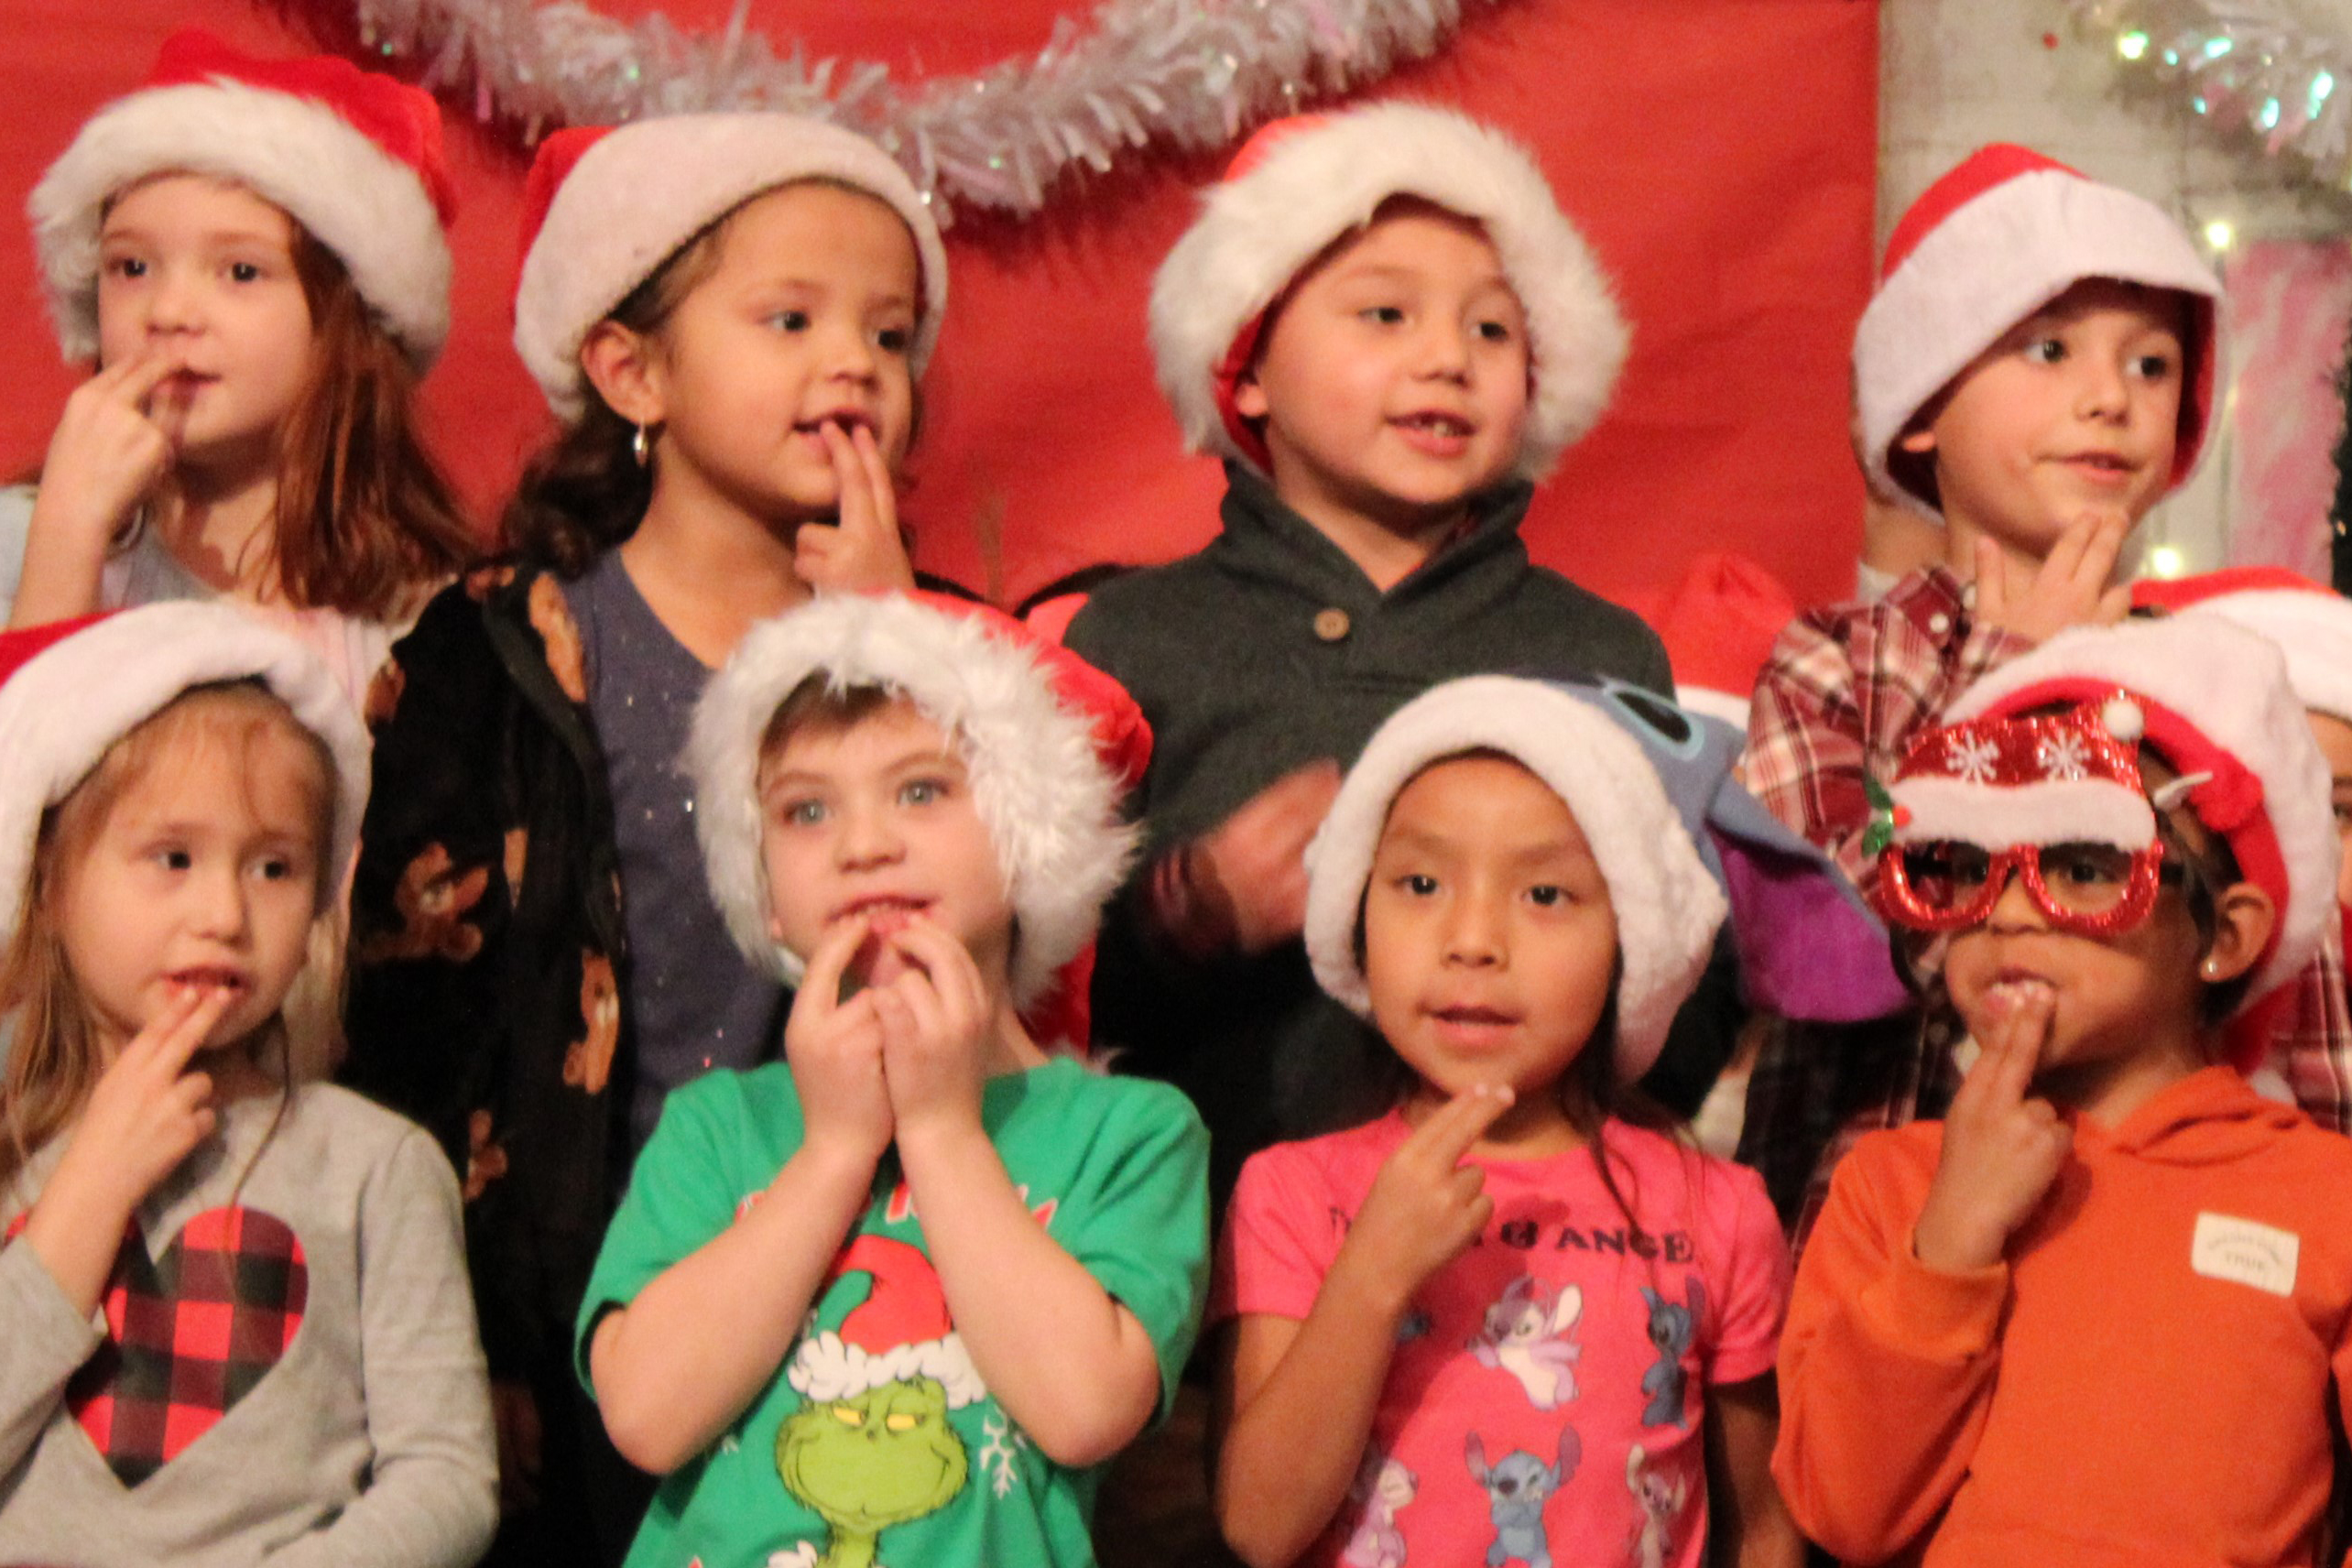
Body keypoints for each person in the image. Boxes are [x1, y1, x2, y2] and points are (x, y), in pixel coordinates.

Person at [339, 113, 946, 1563]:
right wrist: (463, 1339)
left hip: (875, 1291)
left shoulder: (937, 652)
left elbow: (1013, 946)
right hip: (590, 1305)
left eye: (891, 334)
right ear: (633, 372)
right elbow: (417, 1028)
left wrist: (891, 646)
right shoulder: (504, 660)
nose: (852, 363)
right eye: (789, 318)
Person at [1060, 103, 1671, 1205]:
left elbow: (1684, 992)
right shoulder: (1134, 641)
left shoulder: (1595, 652)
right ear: (1245, 367)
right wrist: (1184, 918)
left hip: (1530, 1291)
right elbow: (1035, 1015)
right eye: (1385, 314)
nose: (1447, 357)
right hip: (1202, 1276)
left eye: (1492, 330)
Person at [578, 591, 1208, 1567]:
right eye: (806, 809)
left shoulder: (1128, 1132)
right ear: (766, 889)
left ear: (1024, 827)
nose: (862, 843)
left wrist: (944, 1129)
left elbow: (1085, 1410)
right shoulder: (719, 1126)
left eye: (921, 790)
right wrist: (833, 1148)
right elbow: (648, 1417)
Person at [1214, 672, 1898, 1568]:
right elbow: (1259, 1525)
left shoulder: (1718, 1211)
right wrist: (1372, 1272)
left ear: (1635, 934)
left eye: (1544, 895)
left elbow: (1762, 1529)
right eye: (1420, 881)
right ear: (1356, 903)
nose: (1472, 938)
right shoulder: (1292, 1190)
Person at [1738, 144, 2251, 1230]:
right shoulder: (1835, 664)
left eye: (2152, 366)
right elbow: (1827, 954)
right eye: (2051, 350)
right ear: (1923, 406)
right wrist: (2016, 679)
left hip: (2146, 1250)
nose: (2110, 398)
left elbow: (2290, 1002)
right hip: (1874, 1237)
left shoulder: (2218, 675)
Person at [1775, 614, 2352, 1565]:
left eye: (2085, 865)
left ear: (2229, 933)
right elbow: (1843, 1508)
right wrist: (1950, 1243)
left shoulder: (2322, 1191)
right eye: (1965, 867)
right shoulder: (1891, 1184)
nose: (2004, 911)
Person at [0, 603, 495, 1567]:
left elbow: (445, 1474)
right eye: (172, 858)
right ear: (51, 883)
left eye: (273, 866)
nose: (223, 911)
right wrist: (87, 1193)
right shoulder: (12, 1151)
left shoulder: (373, 1164)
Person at [9, 30, 476, 704]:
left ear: (348, 323)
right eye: (132, 267)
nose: (168, 311)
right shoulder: (24, 544)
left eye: (240, 272)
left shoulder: (427, 616)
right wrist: (66, 543)